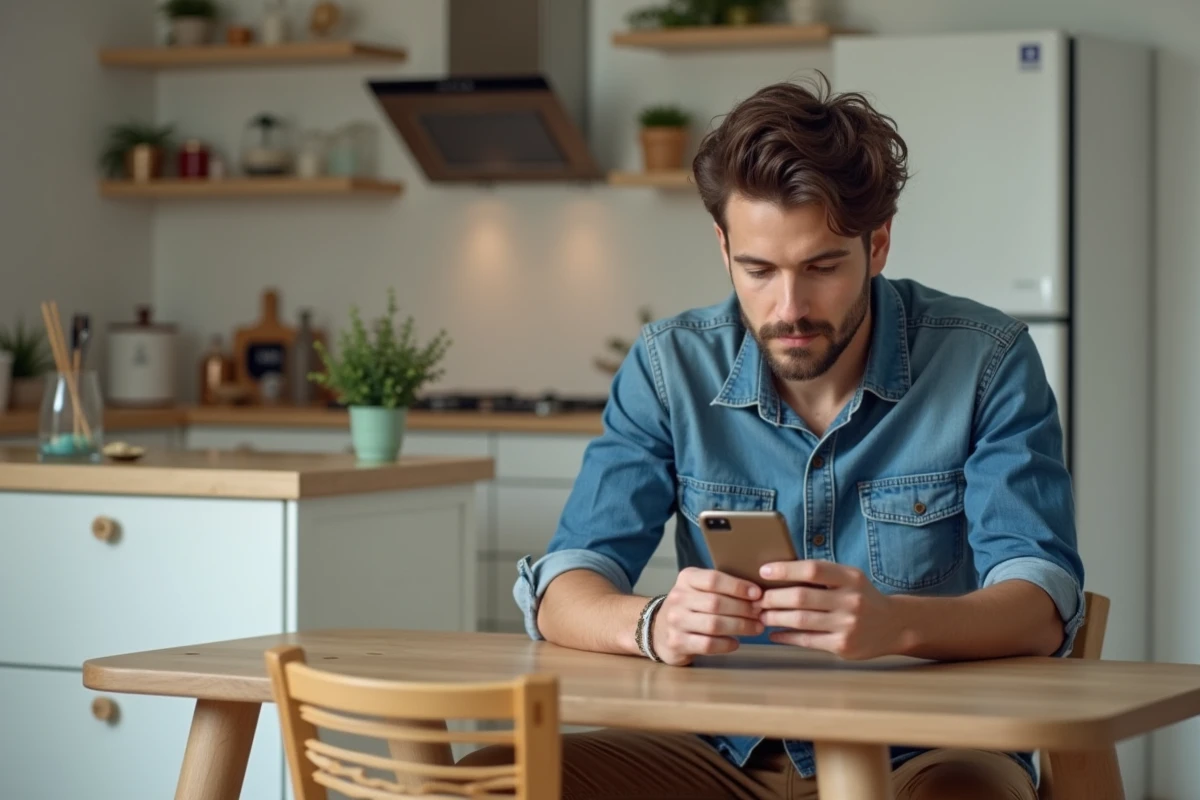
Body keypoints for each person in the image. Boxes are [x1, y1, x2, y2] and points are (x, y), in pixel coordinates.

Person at [468, 75, 1086, 800]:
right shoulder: (671, 367)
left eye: (821, 267)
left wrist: (896, 625)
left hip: (931, 753)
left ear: (877, 244)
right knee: (492, 783)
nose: (789, 308)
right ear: (723, 246)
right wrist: (653, 623)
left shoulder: (986, 360)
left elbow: (1042, 603)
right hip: (719, 752)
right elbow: (566, 584)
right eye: (758, 270)